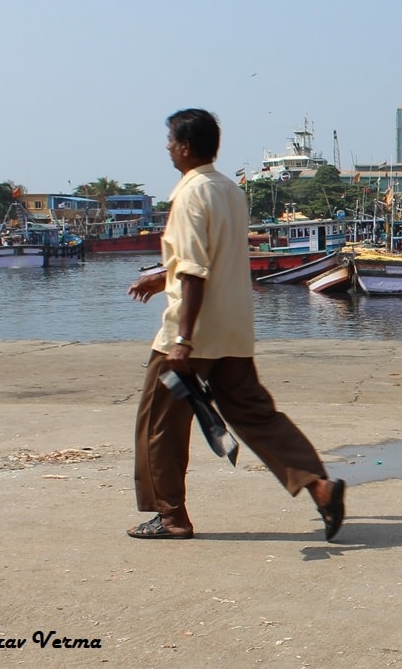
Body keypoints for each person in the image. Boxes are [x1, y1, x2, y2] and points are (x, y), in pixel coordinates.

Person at [125, 109, 344, 541]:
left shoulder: (189, 194)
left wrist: (183, 339)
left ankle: (171, 517)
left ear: (185, 146)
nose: (167, 147)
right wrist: (162, 274)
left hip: (190, 334)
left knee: (159, 427)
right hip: (234, 329)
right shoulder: (229, 190)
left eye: (170, 140)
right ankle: (319, 487)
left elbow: (194, 271)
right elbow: (211, 257)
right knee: (256, 416)